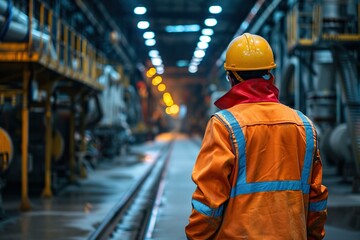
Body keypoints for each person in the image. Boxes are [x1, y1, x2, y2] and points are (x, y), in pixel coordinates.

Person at [185, 33, 328, 239]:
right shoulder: (304, 125)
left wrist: (195, 236)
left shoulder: (223, 125)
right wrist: (313, 235)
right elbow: (316, 198)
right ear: (270, 74)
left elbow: (209, 198)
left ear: (231, 77)